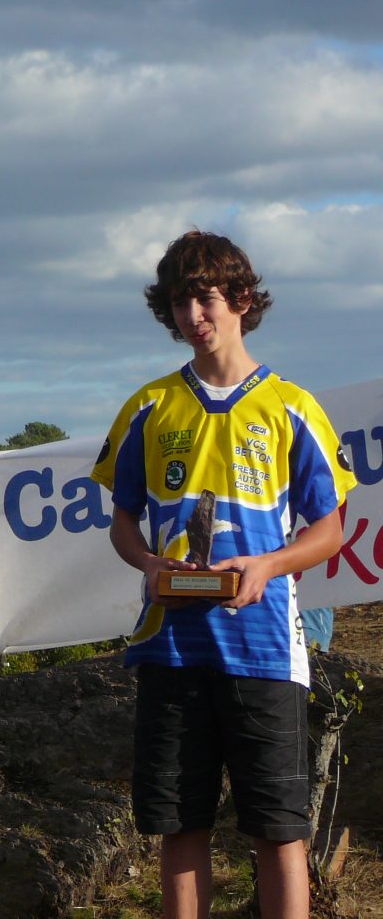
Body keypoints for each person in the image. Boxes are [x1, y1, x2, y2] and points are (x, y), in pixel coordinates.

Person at [91, 231, 355, 919]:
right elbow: (122, 522)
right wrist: (150, 564)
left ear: (240, 298)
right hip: (171, 649)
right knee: (179, 827)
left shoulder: (292, 405)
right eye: (179, 302)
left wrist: (269, 563)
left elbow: (329, 530)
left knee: (278, 831)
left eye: (204, 298)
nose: (192, 316)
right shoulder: (148, 405)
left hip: (265, 649)